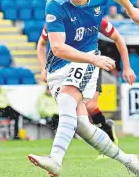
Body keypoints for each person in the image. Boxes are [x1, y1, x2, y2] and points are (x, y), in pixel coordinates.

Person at [28, 0, 139, 177]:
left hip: (86, 59)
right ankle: (129, 161)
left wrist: (131, 11)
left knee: (67, 100)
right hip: (58, 66)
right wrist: (44, 68)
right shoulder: (55, 3)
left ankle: (55, 159)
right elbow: (56, 48)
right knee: (82, 125)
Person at [37, 19, 123, 153]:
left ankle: (108, 135)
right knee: (79, 114)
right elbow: (41, 44)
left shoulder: (89, 16)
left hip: (89, 64)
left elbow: (116, 37)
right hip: (66, 69)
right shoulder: (53, 22)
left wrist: (127, 67)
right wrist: (43, 68)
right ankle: (105, 136)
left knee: (90, 106)